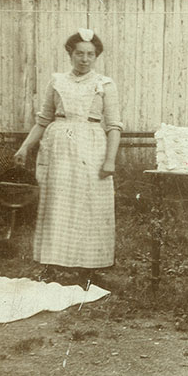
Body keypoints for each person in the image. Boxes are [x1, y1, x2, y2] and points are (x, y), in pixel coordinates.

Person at [13, 29, 122, 284]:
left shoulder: (105, 84)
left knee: (90, 206)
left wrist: (110, 160)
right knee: (56, 204)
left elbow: (114, 126)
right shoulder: (57, 81)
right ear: (70, 54)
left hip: (91, 148)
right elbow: (43, 120)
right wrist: (24, 147)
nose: (84, 59)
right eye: (79, 53)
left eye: (90, 54)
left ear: (96, 56)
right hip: (58, 148)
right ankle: (51, 265)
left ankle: (88, 269)